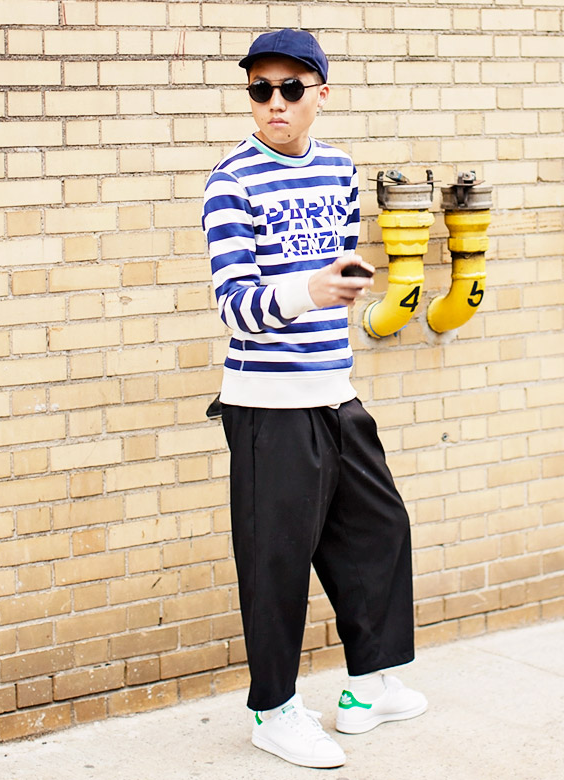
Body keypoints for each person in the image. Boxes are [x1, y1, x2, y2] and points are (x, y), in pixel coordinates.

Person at [202, 28, 427, 770]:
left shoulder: (338, 169)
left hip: (335, 391)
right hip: (266, 404)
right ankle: (274, 712)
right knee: (276, 564)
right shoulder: (231, 182)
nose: (275, 102)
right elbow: (235, 306)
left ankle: (369, 686)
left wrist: (343, 279)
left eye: (291, 88)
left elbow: (338, 259)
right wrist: (309, 290)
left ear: (320, 95)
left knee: (380, 530)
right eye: (260, 88)